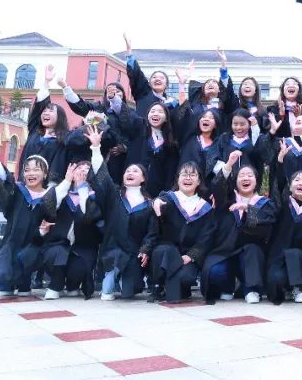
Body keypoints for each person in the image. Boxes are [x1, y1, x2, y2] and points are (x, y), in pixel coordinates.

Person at [86, 127, 156, 300]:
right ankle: (109, 278)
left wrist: (145, 250)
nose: (130, 173)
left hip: (134, 252)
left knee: (131, 291)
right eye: (127, 171)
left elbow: (152, 233)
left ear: (143, 179)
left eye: (135, 171)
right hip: (113, 248)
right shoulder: (115, 195)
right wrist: (96, 148)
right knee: (111, 276)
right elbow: (103, 177)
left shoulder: (150, 204)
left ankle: (127, 279)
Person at [0, 141, 49, 296]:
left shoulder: (49, 196)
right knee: (6, 278)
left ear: (45, 174)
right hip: (13, 240)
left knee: (27, 266)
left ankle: (24, 282)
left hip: (34, 243)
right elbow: (4, 177)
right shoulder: (19, 191)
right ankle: (6, 282)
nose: (31, 173)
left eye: (36, 170)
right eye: (27, 170)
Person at [202, 163, 276, 305]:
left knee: (252, 250)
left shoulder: (265, 203)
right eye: (241, 175)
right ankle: (227, 287)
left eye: (249, 175)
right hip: (226, 251)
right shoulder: (227, 199)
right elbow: (217, 187)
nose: (245, 178)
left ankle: (251, 290)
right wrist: (229, 165)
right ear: (235, 181)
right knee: (214, 271)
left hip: (251, 255)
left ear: (257, 180)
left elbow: (267, 223)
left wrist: (248, 209)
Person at [148, 162, 216, 302]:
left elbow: (207, 237)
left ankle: (179, 287)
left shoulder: (205, 207)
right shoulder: (168, 198)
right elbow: (160, 204)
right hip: (166, 252)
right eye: (184, 174)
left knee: (186, 278)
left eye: (193, 175)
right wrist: (156, 201)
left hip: (187, 255)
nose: (188, 178)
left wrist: (191, 256)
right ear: (178, 179)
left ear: (199, 181)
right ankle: (159, 285)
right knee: (162, 252)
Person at [41, 157, 103, 300]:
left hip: (84, 246)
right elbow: (49, 205)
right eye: (79, 168)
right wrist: (67, 181)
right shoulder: (62, 192)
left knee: (80, 267)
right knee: (58, 254)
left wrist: (82, 188)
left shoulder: (96, 197)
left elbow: (87, 216)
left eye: (87, 169)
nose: (83, 171)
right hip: (58, 242)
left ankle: (72, 285)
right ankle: (55, 286)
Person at [266, 167, 302, 304]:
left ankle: (297, 288)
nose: (301, 183)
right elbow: (279, 185)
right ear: (290, 187)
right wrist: (280, 163)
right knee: (276, 280)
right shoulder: (283, 204)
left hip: (300, 258)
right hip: (279, 256)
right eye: (297, 180)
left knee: (294, 254)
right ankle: (285, 288)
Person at [18, 64, 68, 184]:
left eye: (51, 111)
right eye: (44, 111)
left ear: (60, 117)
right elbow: (38, 107)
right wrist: (46, 82)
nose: (45, 113)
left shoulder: (63, 140)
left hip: (45, 187)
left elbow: (59, 165)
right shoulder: (35, 131)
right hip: (24, 183)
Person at [125, 102, 180, 198]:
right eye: (152, 111)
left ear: (166, 118)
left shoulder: (170, 144)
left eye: (160, 112)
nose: (155, 114)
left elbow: (170, 174)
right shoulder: (139, 135)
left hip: (158, 194)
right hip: (135, 190)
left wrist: (165, 196)